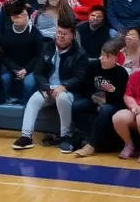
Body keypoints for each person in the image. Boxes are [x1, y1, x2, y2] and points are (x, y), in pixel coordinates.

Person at [12, 20, 88, 153]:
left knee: (62, 98)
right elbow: (38, 72)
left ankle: (65, 136)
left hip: (68, 90)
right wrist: (45, 87)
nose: (61, 36)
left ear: (72, 35)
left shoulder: (80, 53)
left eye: (64, 34)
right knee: (33, 100)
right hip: (48, 87)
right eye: (59, 33)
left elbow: (80, 78)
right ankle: (26, 136)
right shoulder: (47, 47)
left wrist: (64, 86)